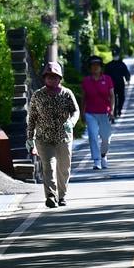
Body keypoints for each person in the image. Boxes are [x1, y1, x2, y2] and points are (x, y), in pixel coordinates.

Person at [26, 60, 80, 208]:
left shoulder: (67, 94)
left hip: (64, 137)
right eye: (49, 76)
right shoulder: (38, 96)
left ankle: (62, 195)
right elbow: (32, 118)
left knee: (64, 168)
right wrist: (30, 138)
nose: (52, 79)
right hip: (44, 138)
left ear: (60, 78)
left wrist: (72, 122)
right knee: (48, 167)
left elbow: (75, 111)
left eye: (55, 77)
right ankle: (51, 196)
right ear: (44, 78)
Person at [81, 55, 115, 170]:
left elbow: (112, 95)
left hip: (105, 112)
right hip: (90, 113)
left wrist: (112, 110)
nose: (95, 68)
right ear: (90, 68)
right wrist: (82, 112)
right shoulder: (86, 81)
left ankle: (103, 155)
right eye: (93, 66)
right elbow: (83, 97)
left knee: (106, 137)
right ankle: (96, 161)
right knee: (93, 136)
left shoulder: (107, 79)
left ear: (101, 67)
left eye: (97, 66)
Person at [103, 50, 131, 118]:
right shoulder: (109, 65)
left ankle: (119, 110)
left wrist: (127, 79)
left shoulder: (121, 64)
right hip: (112, 85)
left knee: (121, 97)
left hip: (120, 83)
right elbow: (105, 75)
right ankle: (115, 111)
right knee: (113, 97)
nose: (116, 57)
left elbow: (126, 73)